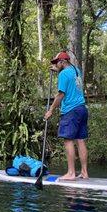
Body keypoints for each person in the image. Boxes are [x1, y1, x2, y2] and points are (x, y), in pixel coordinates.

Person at [44, 51, 89, 180]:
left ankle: (71, 173)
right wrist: (57, 70)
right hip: (82, 109)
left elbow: (60, 95)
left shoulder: (63, 74)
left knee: (68, 140)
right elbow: (69, 80)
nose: (55, 65)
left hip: (71, 111)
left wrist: (51, 110)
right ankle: (84, 172)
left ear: (63, 62)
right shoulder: (76, 70)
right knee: (80, 140)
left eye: (56, 63)